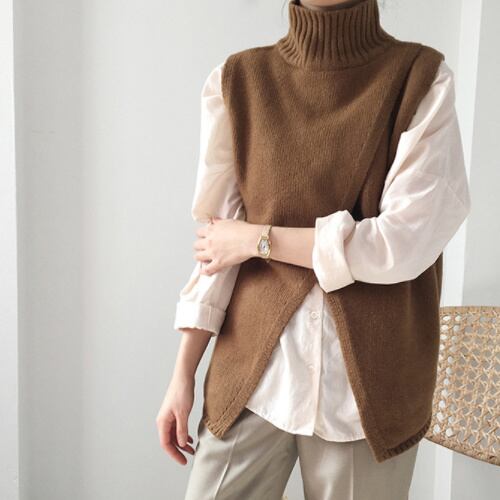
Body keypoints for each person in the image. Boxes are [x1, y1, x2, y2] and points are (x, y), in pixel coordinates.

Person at [156, 0, 471, 498]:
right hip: (253, 380)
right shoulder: (238, 82)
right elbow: (217, 248)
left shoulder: (420, 79)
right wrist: (182, 374)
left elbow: (401, 244)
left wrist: (258, 240)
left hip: (366, 395)